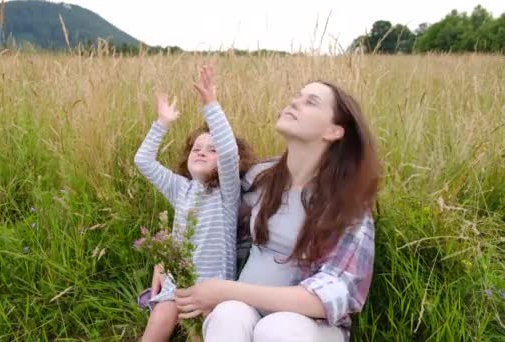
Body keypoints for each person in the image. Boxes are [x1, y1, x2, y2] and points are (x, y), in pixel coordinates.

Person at [175, 80, 380, 341]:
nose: (295, 101)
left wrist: (228, 290)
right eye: (297, 95)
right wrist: (170, 254)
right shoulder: (260, 178)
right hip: (246, 311)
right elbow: (210, 218)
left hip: (308, 327)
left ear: (334, 131)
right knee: (227, 314)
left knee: (275, 328)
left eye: (311, 101)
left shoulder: (348, 206)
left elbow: (331, 296)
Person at [133, 65, 254, 341]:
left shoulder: (226, 194)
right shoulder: (181, 189)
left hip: (214, 290)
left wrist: (211, 105)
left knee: (211, 330)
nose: (202, 152)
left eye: (211, 150)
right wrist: (162, 123)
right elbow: (143, 161)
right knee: (160, 317)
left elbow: (228, 151)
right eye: (197, 148)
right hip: (177, 284)